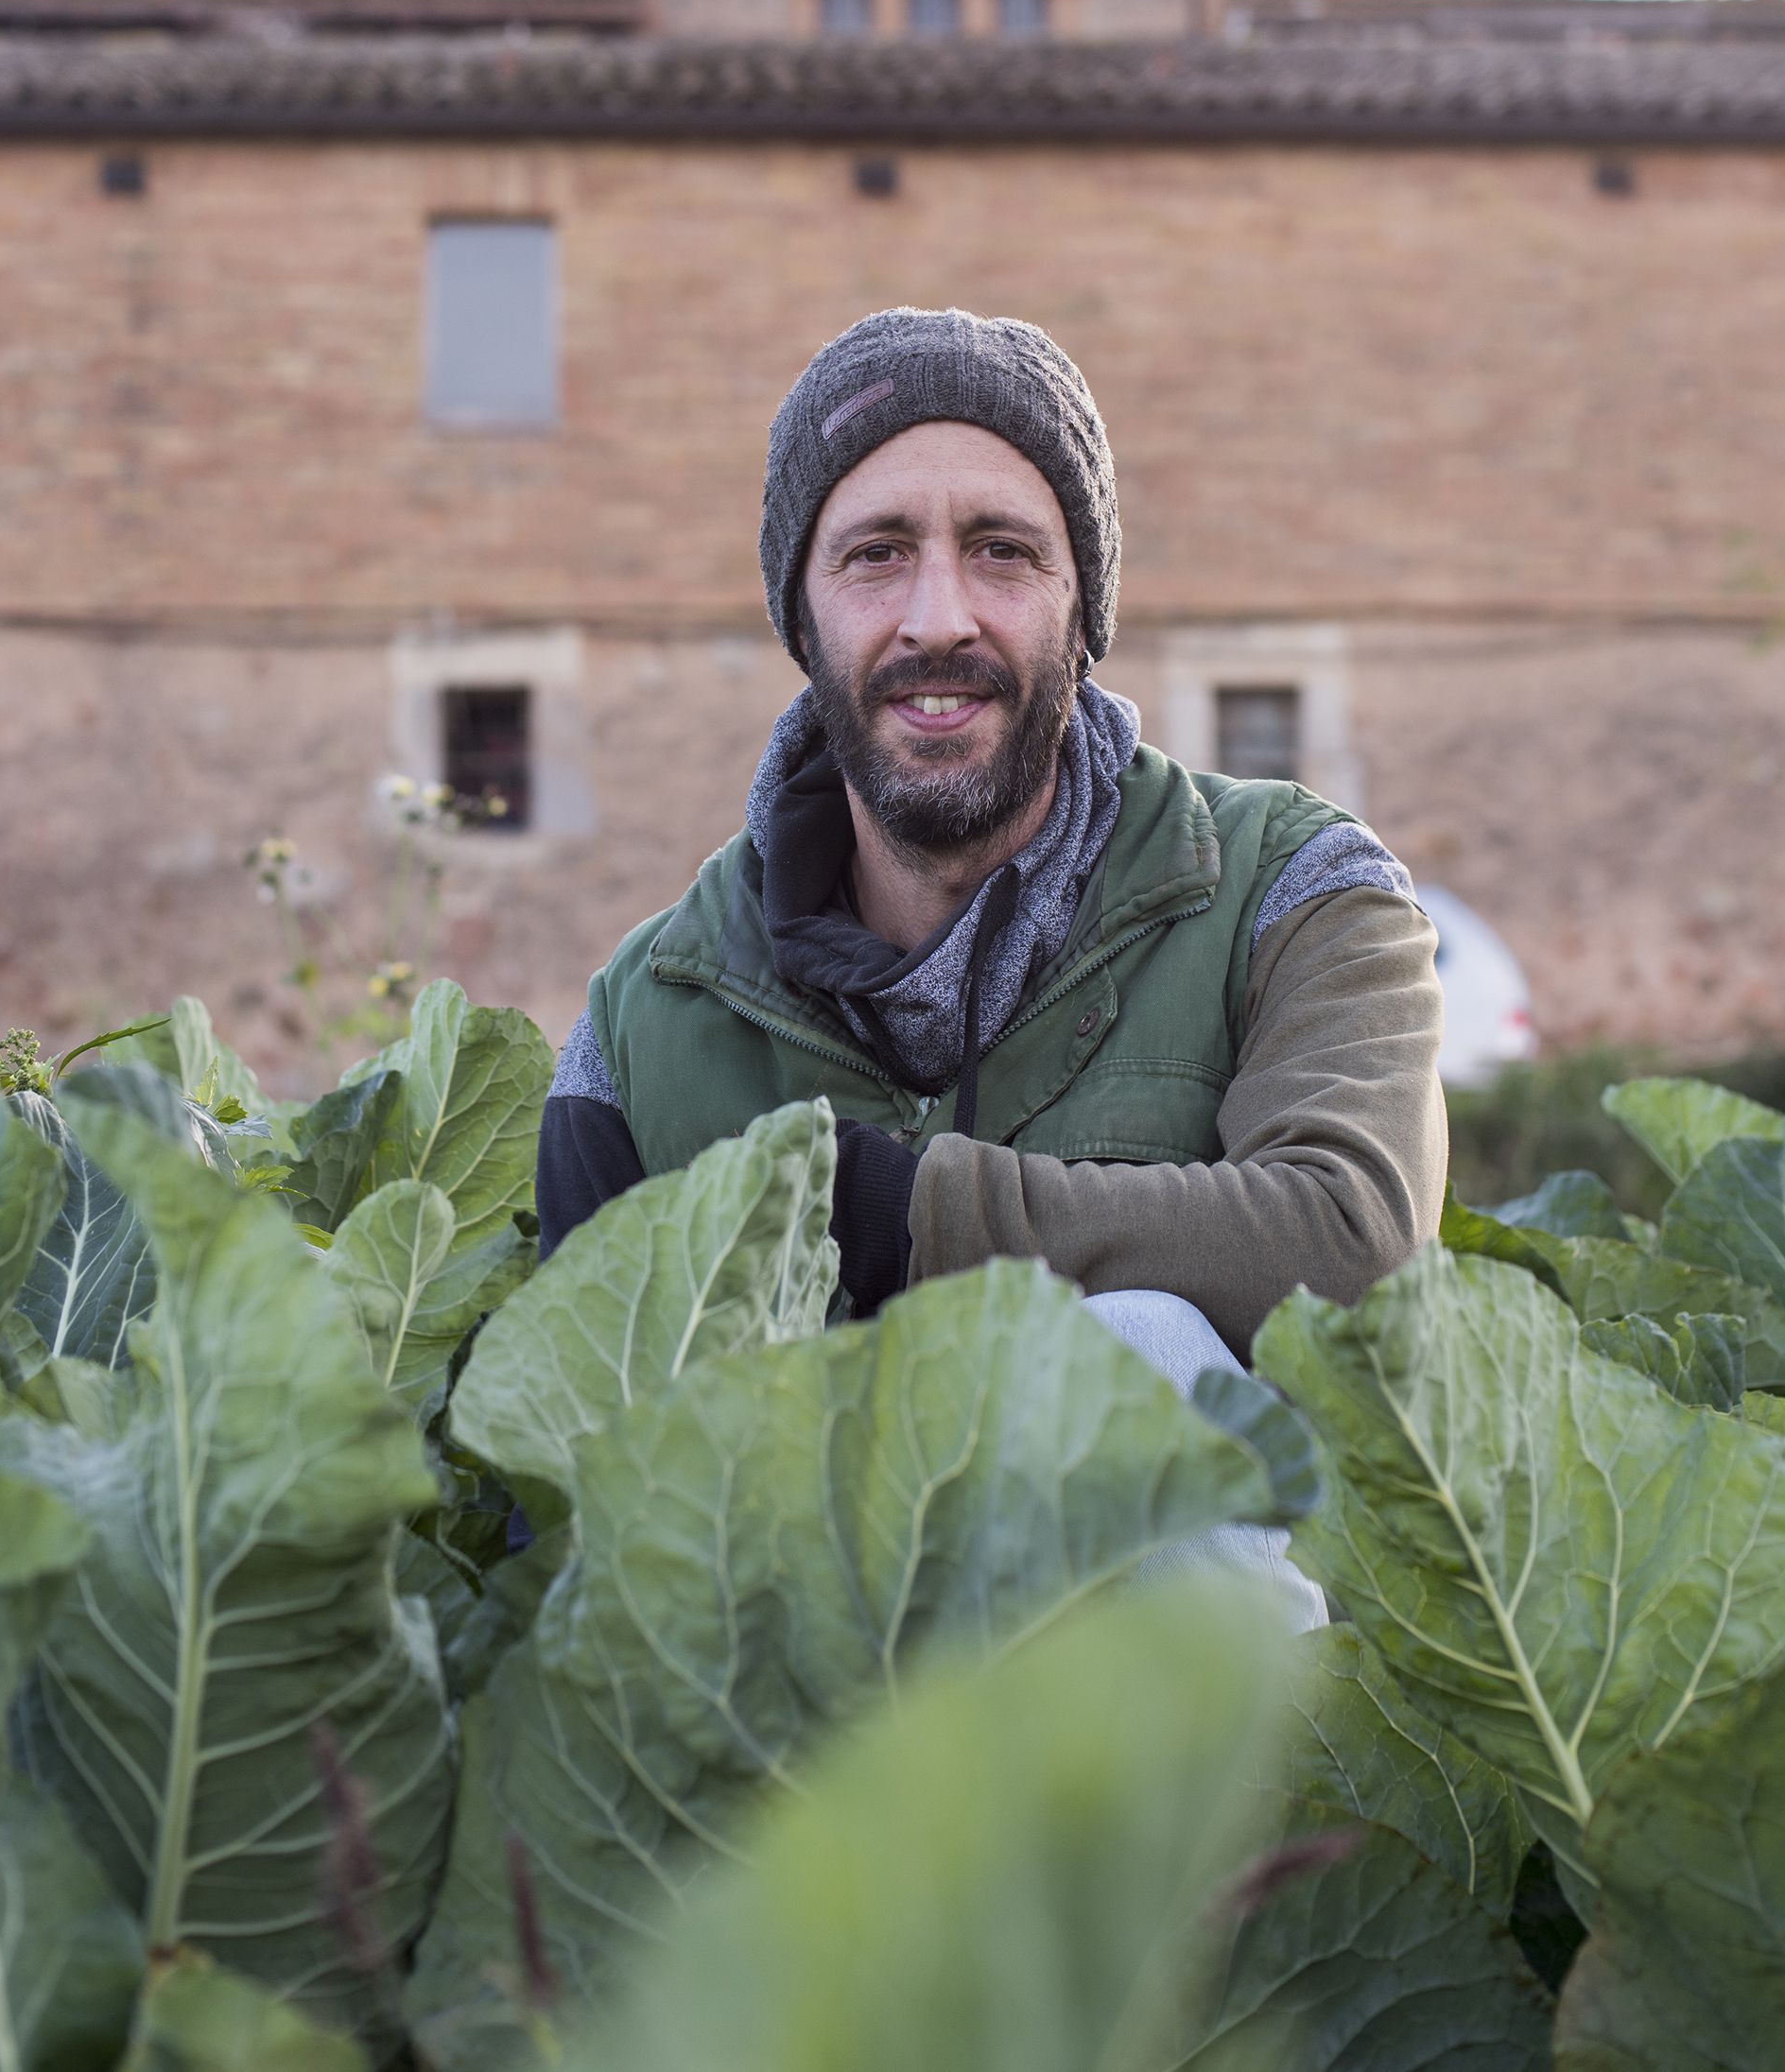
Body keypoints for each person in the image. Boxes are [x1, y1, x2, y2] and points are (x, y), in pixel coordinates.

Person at [537, 308, 1446, 1603]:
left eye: (1004, 551)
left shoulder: (1289, 890)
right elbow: (567, 1507)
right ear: (803, 611)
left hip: (1243, 1751)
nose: (938, 617)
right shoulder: (645, 1024)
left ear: (1085, 609)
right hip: (806, 1756)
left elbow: (1353, 1249)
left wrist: (914, 1219)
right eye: (876, 553)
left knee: (1137, 1346)